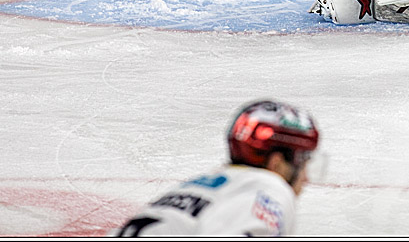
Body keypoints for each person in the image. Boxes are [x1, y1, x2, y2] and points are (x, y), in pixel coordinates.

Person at [112, 100, 319, 237]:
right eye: (303, 162)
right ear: (277, 163)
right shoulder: (269, 190)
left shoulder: (195, 187)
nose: (306, 177)